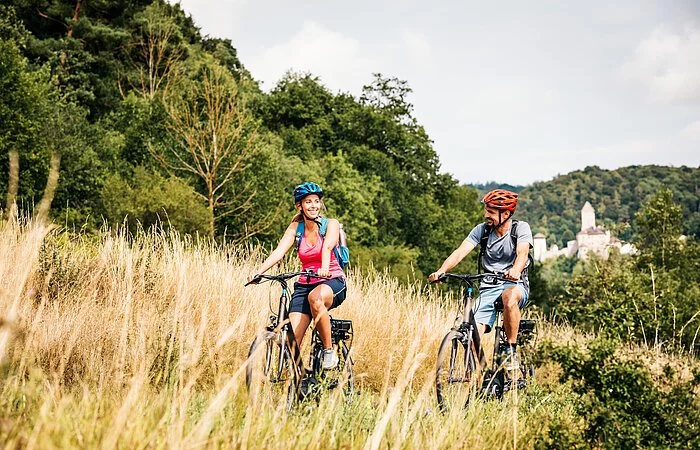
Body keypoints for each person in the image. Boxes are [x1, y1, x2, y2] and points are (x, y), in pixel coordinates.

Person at [428, 189, 533, 371]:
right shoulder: (482, 231)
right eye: (487, 210)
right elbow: (460, 252)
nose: (486, 215)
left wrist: (516, 270)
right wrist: (441, 271)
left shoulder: (520, 229)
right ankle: (483, 373)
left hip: (514, 284)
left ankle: (510, 351)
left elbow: (522, 253)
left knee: (509, 298)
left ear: (506, 213)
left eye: (491, 212)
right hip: (488, 288)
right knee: (469, 328)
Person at [249, 182, 347, 369]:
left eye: (316, 201)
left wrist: (324, 268)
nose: (313, 206)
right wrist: (258, 272)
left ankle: (328, 351)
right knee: (290, 340)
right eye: (308, 202)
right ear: (299, 206)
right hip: (305, 283)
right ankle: (298, 381)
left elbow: (327, 247)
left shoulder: (331, 224)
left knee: (316, 299)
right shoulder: (296, 228)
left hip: (332, 280)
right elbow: (279, 252)